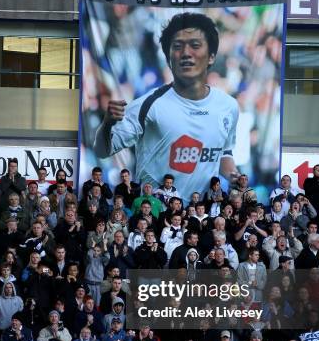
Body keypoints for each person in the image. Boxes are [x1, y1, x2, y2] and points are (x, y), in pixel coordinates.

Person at [94, 13, 240, 202]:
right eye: (178, 46)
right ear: (168, 56)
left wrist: (233, 175)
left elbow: (224, 154)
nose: (186, 53)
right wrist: (107, 125)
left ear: (211, 57)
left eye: (195, 45)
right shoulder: (148, 105)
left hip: (201, 221)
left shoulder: (228, 106)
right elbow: (102, 150)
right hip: (156, 220)